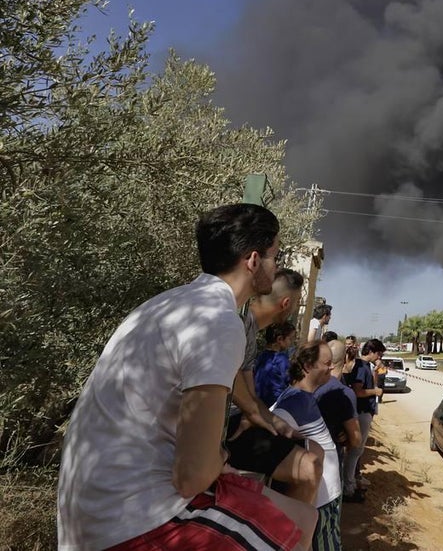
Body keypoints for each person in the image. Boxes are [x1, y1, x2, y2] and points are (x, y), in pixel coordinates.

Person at [57, 203, 316, 551]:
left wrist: (216, 459)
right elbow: (192, 475)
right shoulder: (219, 321)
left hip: (90, 508)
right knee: (295, 532)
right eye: (276, 256)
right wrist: (219, 459)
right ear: (254, 260)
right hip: (133, 522)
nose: (277, 266)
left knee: (304, 518)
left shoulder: (167, 304)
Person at [224, 268, 322, 505]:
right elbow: (237, 388)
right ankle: (289, 525)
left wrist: (279, 425)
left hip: (236, 422)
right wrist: (254, 415)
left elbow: (251, 396)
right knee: (311, 467)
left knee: (312, 449)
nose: (295, 308)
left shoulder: (248, 329)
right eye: (297, 303)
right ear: (286, 304)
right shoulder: (237, 325)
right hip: (223, 429)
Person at [271, 341, 343, 551]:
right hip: (319, 505)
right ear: (307, 366)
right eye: (327, 363)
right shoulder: (293, 403)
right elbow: (274, 426)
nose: (332, 367)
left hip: (323, 501)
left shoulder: (300, 397)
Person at [342, 338, 383, 501]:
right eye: (378, 354)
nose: (379, 357)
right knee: (355, 451)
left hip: (363, 412)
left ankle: (349, 482)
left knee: (355, 451)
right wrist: (375, 392)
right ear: (371, 351)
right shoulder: (361, 367)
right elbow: (358, 391)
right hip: (361, 412)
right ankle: (348, 487)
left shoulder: (364, 366)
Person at [315, 339, 361, 480]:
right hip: (331, 459)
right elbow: (356, 439)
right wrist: (347, 437)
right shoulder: (345, 393)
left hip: (305, 454)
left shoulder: (310, 383)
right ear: (345, 359)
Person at [255, 321, 298, 407]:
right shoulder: (281, 359)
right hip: (275, 402)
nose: (291, 342)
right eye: (290, 339)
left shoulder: (262, 356)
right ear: (280, 339)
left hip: (259, 400)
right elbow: (290, 380)